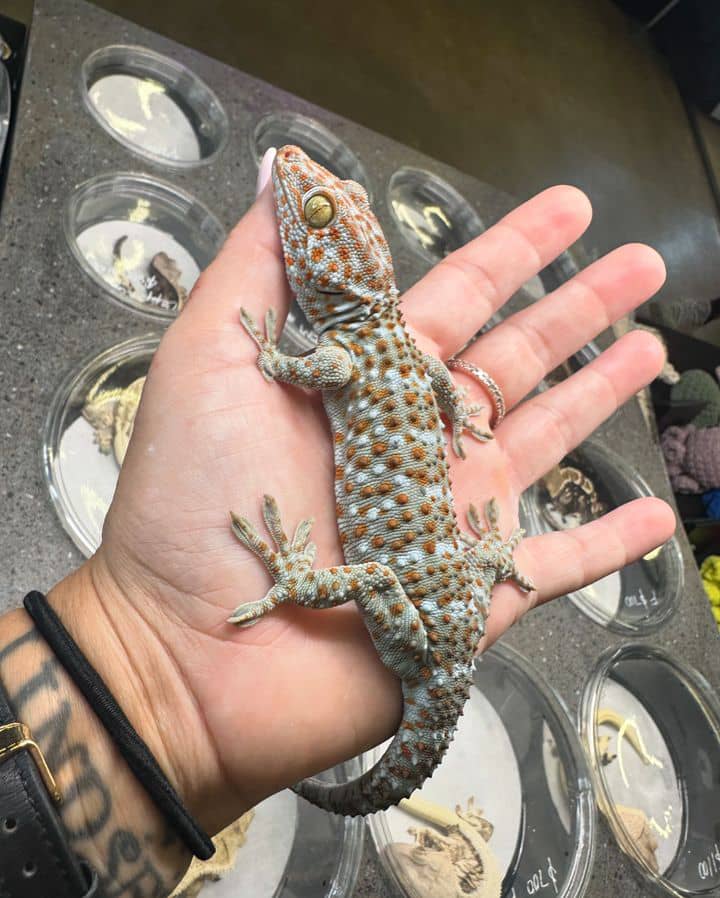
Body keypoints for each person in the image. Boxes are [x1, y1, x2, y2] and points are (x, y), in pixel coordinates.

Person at [0, 151, 675, 896]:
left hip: (426, 629)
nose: (296, 181)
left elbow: (313, 373)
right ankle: (476, 563)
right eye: (329, 205)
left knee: (383, 576)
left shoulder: (350, 350)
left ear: (337, 268)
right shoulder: (390, 348)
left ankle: (301, 578)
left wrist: (274, 359)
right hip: (447, 591)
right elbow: (434, 388)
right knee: (418, 568)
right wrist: (458, 418)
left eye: (323, 211)